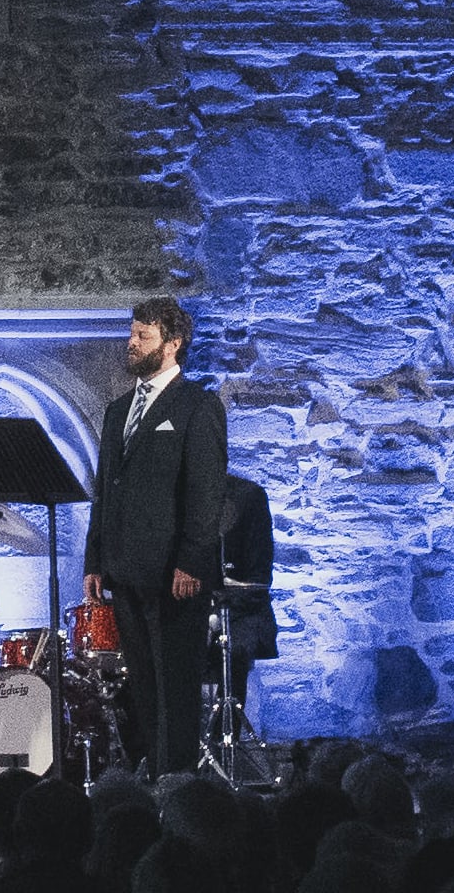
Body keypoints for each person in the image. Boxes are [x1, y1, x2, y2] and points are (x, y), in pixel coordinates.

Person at [79, 298, 224, 780]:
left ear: (173, 343)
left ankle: (177, 782)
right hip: (125, 569)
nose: (132, 342)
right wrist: (94, 561)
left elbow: (205, 493)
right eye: (133, 333)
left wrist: (192, 560)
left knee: (175, 686)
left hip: (172, 574)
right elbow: (105, 490)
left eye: (143, 335)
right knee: (142, 684)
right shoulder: (118, 410)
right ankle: (155, 773)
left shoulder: (197, 405)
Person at [212, 471, 276, 715]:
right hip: (187, 605)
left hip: (239, 609)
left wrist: (218, 615)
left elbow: (258, 578)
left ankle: (223, 742)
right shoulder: (168, 496)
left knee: (234, 649)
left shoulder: (247, 496)